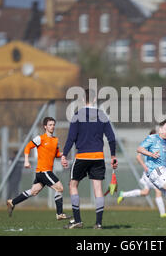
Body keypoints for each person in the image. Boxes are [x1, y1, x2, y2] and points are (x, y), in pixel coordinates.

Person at [61, 89, 117, 229]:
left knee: (73, 185)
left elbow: (71, 138)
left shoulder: (77, 115)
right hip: (98, 156)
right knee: (98, 188)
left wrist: (64, 154)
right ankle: (98, 223)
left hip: (82, 156)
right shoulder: (102, 115)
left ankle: (78, 220)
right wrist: (113, 155)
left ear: (81, 100)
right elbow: (111, 138)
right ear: (94, 99)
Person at [7, 117, 71, 221]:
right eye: (50, 125)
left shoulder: (55, 140)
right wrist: (26, 161)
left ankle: (12, 202)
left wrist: (64, 155)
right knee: (60, 188)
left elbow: (56, 154)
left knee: (33, 191)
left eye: (53, 124)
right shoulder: (40, 138)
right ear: (45, 126)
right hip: (43, 171)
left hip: (45, 172)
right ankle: (59, 214)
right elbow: (27, 147)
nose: (52, 127)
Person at [117, 129, 166, 218]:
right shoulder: (148, 145)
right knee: (158, 190)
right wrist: (145, 166)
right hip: (150, 172)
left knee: (145, 192)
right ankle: (163, 213)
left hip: (153, 172)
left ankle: (123, 194)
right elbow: (138, 157)